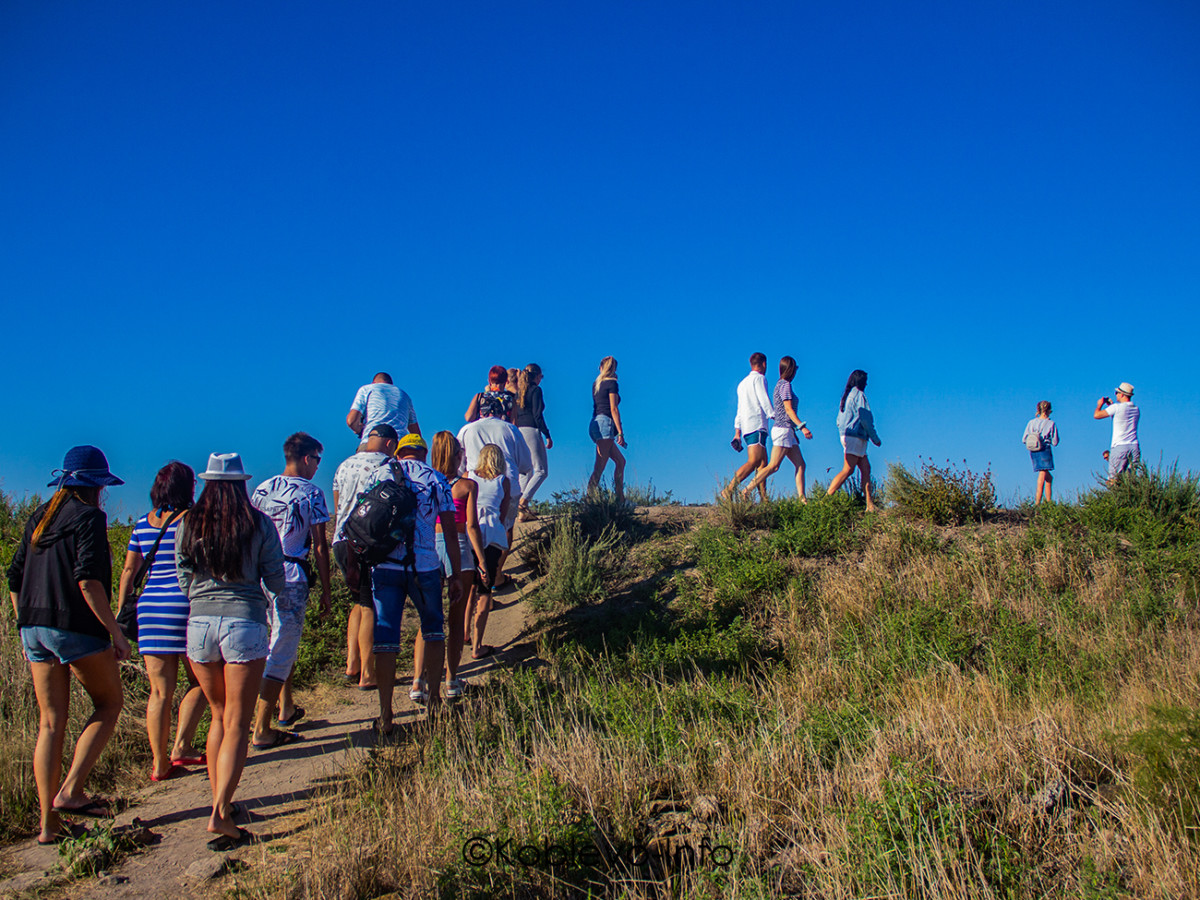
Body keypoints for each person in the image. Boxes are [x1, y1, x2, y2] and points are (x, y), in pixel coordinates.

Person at [7, 446, 129, 845]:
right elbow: (88, 582)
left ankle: (48, 826)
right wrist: (115, 631)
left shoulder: (39, 517)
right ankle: (72, 791)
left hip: (33, 626)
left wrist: (24, 621)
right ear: (97, 486)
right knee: (109, 704)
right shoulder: (89, 517)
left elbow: (14, 578)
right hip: (73, 624)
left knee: (50, 722)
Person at [178, 452, 285, 851]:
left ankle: (220, 800)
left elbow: (183, 574)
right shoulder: (256, 522)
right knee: (239, 721)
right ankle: (221, 813)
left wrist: (202, 596)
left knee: (219, 715)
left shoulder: (190, 522)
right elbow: (275, 575)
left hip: (200, 624)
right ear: (242, 484)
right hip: (244, 619)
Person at [358, 434, 462, 734]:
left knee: (386, 638)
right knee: (432, 631)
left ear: (399, 452)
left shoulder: (378, 474)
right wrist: (454, 572)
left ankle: (386, 713)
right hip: (425, 565)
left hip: (385, 565)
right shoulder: (436, 479)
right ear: (424, 453)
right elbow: (451, 531)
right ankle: (433, 703)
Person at [117, 461, 208, 782]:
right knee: (200, 682)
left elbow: (129, 571)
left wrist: (119, 616)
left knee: (159, 692)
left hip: (149, 611)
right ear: (187, 488)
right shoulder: (194, 520)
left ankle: (159, 764)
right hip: (185, 607)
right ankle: (181, 745)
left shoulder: (143, 524)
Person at [248, 433, 331, 749]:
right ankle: (261, 725)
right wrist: (325, 589)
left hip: (258, 575)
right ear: (308, 458)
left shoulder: (261, 490)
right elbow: (320, 546)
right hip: (291, 573)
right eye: (317, 460)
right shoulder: (311, 493)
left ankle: (285, 706)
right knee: (283, 646)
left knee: (273, 642)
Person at [418, 432, 487, 699]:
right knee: (456, 620)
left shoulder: (426, 482)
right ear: (459, 455)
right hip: (457, 544)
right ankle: (451, 680)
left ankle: (418, 680)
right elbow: (471, 525)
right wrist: (482, 560)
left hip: (428, 546)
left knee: (429, 617)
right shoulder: (467, 486)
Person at [331, 424, 399, 691]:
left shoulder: (344, 465)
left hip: (341, 538)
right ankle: (368, 672)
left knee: (358, 601)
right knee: (370, 603)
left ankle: (352, 664)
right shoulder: (388, 465)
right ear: (391, 444)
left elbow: (338, 503)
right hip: (367, 541)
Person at [457, 393, 532, 588]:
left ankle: (477, 576)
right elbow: (525, 464)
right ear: (501, 411)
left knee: (472, 527)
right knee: (505, 528)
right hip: (507, 484)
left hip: (475, 485)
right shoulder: (511, 429)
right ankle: (496, 574)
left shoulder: (467, 430)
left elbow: (459, 463)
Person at [740, 356, 813, 501]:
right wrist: (802, 427)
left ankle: (802, 499)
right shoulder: (785, 385)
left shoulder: (781, 384)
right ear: (791, 369)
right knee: (773, 466)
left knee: (800, 464)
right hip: (783, 429)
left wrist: (794, 432)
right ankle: (747, 490)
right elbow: (788, 409)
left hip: (788, 431)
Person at [468, 443, 510, 660]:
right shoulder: (503, 481)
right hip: (491, 533)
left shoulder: (469, 477)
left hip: (470, 531)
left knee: (470, 586)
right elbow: (503, 514)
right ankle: (478, 645)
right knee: (485, 590)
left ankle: (464, 632)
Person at [826, 370, 881, 511]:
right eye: (865, 381)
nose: (867, 383)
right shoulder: (860, 395)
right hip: (856, 436)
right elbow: (865, 418)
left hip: (847, 435)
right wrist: (874, 437)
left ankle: (869, 504)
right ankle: (826, 499)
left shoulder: (846, 396)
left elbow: (838, 420)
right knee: (848, 469)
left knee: (865, 468)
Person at [723, 352, 774, 500]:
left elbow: (739, 409)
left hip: (746, 427)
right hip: (757, 424)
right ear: (764, 364)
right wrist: (774, 416)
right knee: (754, 461)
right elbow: (763, 399)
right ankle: (729, 489)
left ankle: (764, 499)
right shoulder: (759, 378)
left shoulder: (742, 384)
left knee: (763, 464)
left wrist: (737, 432)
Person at [514, 363, 552, 521]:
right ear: (536, 376)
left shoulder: (518, 392)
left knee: (526, 471)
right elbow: (538, 414)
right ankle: (523, 502)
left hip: (518, 430)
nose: (541, 379)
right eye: (541, 376)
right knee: (541, 470)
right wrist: (547, 434)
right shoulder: (536, 390)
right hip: (531, 429)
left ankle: (521, 511)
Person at [587, 356, 627, 503]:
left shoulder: (597, 384)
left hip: (595, 423)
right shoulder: (612, 384)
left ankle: (620, 499)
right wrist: (620, 432)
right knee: (599, 467)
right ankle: (589, 500)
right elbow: (613, 408)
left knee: (621, 462)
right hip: (605, 424)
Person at [347, 372, 421, 448]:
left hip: (371, 442)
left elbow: (351, 421)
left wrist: (359, 430)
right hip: (398, 446)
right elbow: (416, 434)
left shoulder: (367, 389)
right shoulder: (405, 396)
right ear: (391, 384)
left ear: (373, 383)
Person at [1094, 382, 1140, 483]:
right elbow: (1121, 417)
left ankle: (1113, 498)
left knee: (1113, 480)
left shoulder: (1117, 408)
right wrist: (1111, 405)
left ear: (1122, 394)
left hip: (1119, 447)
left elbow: (1097, 415)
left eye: (1117, 392)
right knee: (1130, 480)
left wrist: (1099, 405)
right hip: (1134, 446)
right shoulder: (1136, 409)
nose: (1116, 395)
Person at [1022, 401, 1060, 505]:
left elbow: (1024, 439)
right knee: (1042, 475)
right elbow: (1055, 442)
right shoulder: (1051, 424)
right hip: (1045, 450)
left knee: (1048, 477)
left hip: (1033, 450)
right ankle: (1038, 502)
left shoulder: (1031, 423)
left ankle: (1048, 502)